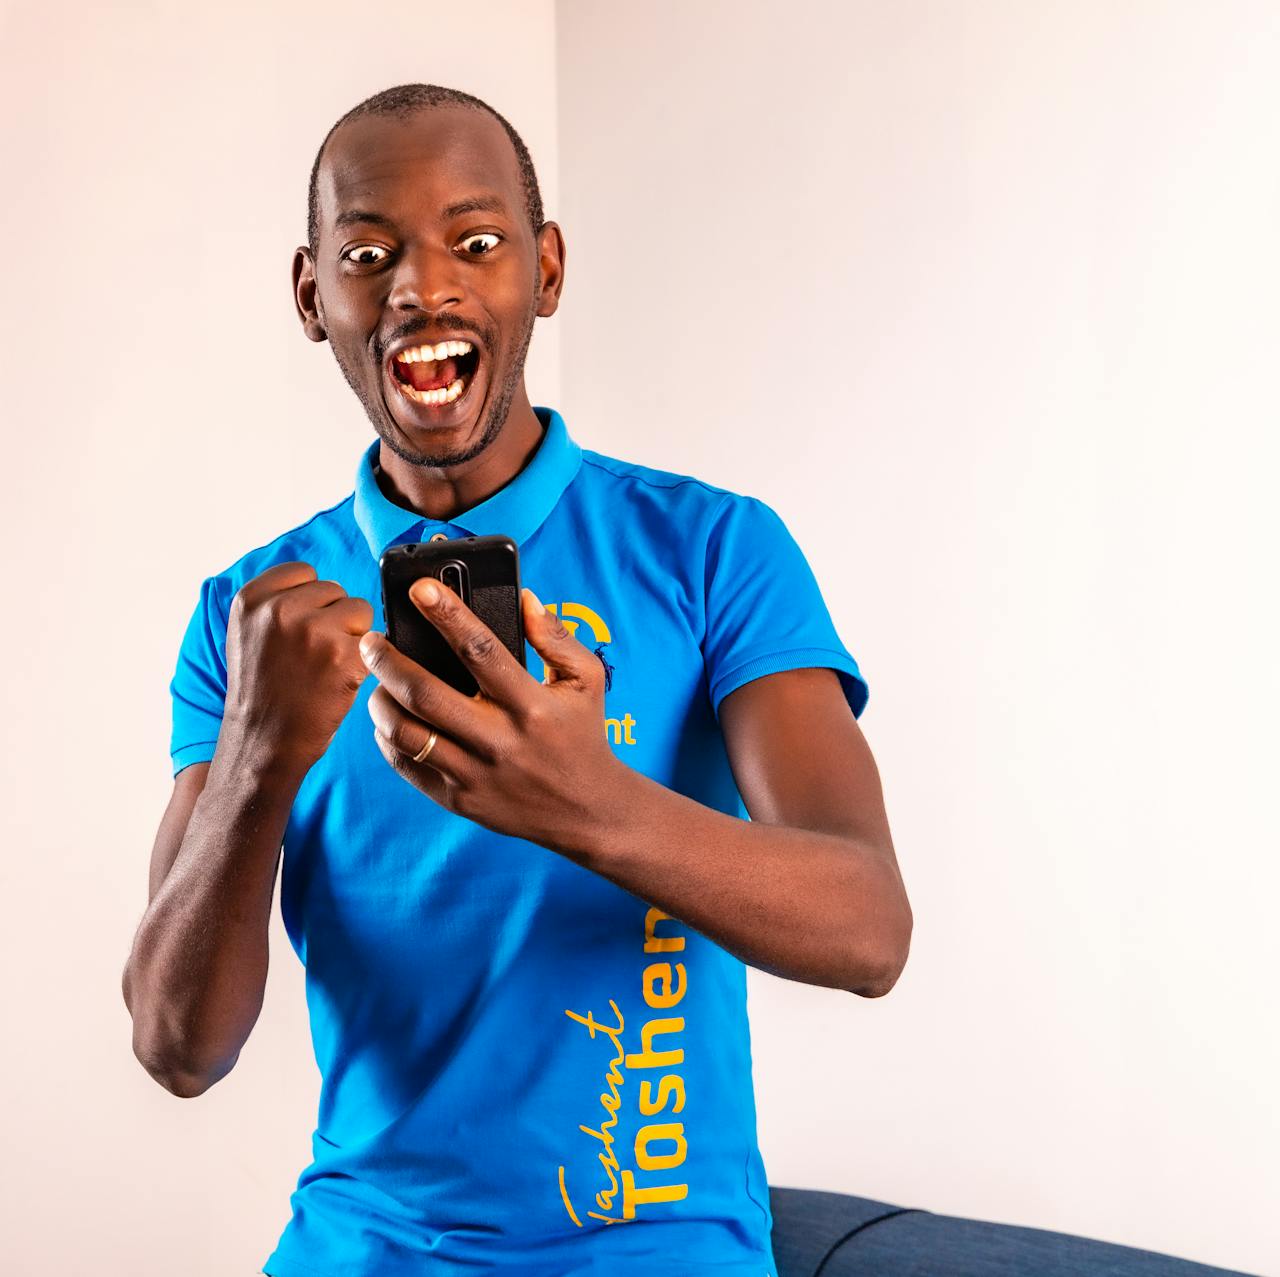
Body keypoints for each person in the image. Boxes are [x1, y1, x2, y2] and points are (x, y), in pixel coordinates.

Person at [120, 84, 1244, 1277]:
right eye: (367, 255)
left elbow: (868, 929)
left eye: (476, 242)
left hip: (659, 1248)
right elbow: (176, 1046)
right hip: (360, 1248)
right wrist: (254, 760)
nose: (421, 287)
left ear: (546, 271)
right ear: (313, 297)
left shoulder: (710, 550)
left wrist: (584, 801)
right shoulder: (251, 615)